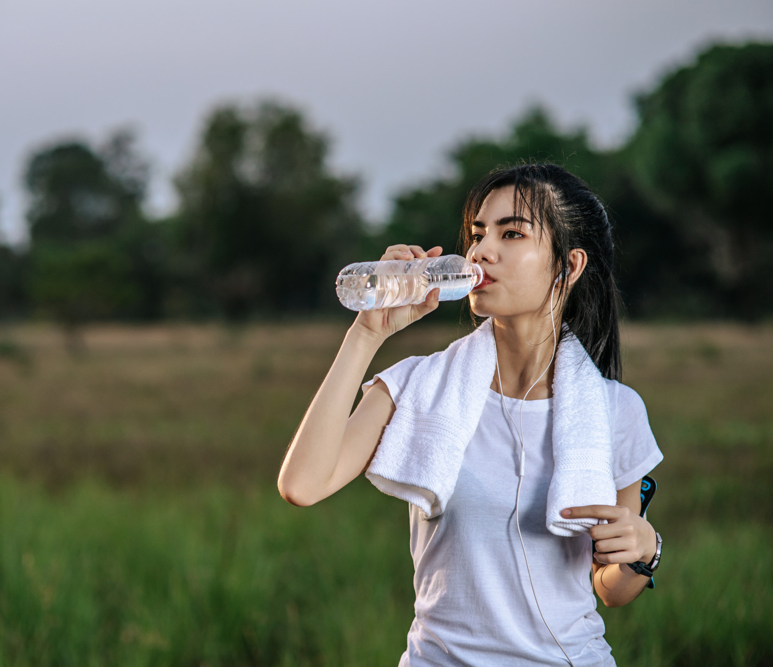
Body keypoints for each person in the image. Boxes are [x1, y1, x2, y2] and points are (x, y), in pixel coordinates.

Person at [277, 163, 663, 666]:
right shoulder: (418, 385)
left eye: (512, 233)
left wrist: (645, 550)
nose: (481, 250)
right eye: (479, 233)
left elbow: (610, 589)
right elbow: (302, 485)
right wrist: (367, 333)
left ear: (568, 266)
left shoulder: (615, 410)